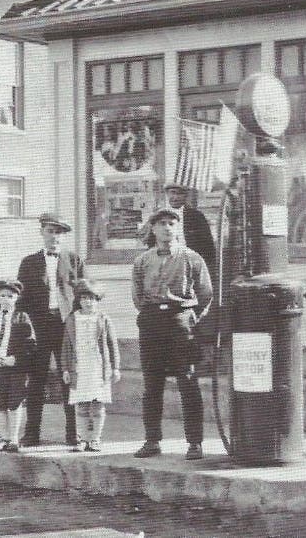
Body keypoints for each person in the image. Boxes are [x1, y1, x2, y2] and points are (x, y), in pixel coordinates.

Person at [131, 207, 214, 460]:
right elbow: (137, 296)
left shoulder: (191, 258)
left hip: (180, 322)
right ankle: (152, 440)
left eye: (172, 223)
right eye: (162, 223)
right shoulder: (142, 260)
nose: (167, 228)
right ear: (153, 228)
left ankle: (195, 443)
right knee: (152, 384)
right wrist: (152, 314)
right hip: (152, 322)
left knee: (187, 382)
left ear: (177, 228)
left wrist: (189, 318)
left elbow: (205, 294)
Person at [16, 212, 86, 447]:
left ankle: (73, 433)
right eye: (50, 231)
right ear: (42, 232)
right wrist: (26, 326)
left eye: (59, 233)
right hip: (39, 326)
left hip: (66, 325)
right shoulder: (29, 262)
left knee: (69, 377)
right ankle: (32, 433)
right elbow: (21, 299)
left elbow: (84, 293)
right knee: (36, 379)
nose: (54, 237)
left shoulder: (74, 260)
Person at [62, 278, 121, 452]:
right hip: (79, 367)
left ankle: (95, 439)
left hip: (97, 366)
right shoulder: (72, 320)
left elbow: (112, 344)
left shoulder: (103, 319)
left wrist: (116, 367)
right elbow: (65, 346)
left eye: (92, 299)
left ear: (97, 301)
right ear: (79, 300)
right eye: (84, 298)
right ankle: (81, 439)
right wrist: (65, 368)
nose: (88, 302)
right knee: (81, 404)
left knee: (97, 404)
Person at [0, 279, 36, 453]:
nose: (6, 299)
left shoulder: (22, 317)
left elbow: (30, 343)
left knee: (14, 401)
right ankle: (3, 438)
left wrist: (16, 358)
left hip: (15, 368)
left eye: (10, 296)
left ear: (16, 298)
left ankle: (13, 438)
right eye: (2, 295)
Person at [161, 182, 218, 276]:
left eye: (179, 194)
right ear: (167, 194)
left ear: (185, 196)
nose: (175, 197)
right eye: (172, 192)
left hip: (190, 265)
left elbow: (208, 245)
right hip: (166, 266)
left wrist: (209, 270)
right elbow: (151, 244)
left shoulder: (196, 216)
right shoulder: (160, 216)